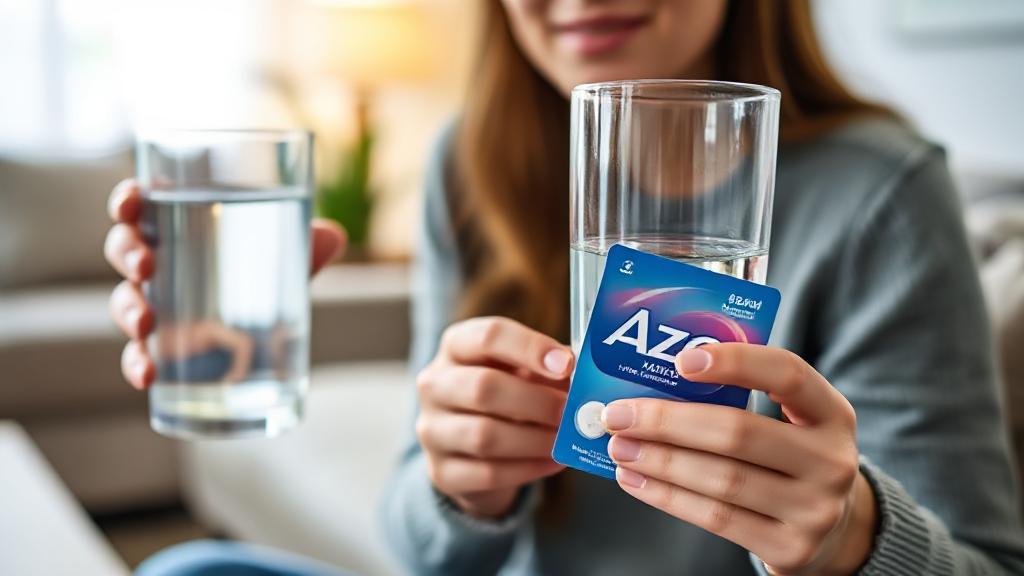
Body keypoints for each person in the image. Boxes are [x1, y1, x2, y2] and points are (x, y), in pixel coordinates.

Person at [105, 0, 1024, 574]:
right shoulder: (468, 164)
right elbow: (419, 547)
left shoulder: (885, 196)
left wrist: (852, 541)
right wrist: (463, 487)